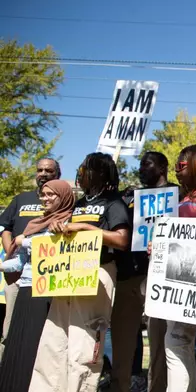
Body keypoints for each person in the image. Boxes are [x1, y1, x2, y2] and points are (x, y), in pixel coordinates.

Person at [29, 153, 131, 392]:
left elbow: (122, 240)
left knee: (83, 344)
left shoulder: (113, 203)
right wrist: (58, 226)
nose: (80, 173)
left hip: (96, 274)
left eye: (85, 169)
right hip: (68, 275)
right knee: (54, 341)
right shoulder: (81, 203)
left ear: (99, 172)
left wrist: (85, 227)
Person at [108, 152, 177, 392]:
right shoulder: (130, 196)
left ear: (162, 166)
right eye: (140, 164)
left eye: (147, 164)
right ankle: (123, 384)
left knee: (160, 341)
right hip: (128, 274)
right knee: (124, 340)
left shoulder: (176, 194)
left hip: (160, 275)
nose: (141, 168)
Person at [0, 180, 74, 392]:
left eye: (52, 195)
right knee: (18, 344)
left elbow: (58, 246)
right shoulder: (35, 223)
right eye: (43, 195)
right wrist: (2, 266)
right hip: (26, 289)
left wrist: (25, 241)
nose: (46, 199)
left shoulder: (69, 221)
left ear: (64, 196)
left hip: (49, 292)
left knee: (38, 346)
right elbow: (21, 262)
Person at [159, 145, 196, 392]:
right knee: (177, 341)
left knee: (176, 341)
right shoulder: (184, 199)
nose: (176, 170)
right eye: (175, 165)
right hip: (177, 278)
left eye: (181, 165)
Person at [0, 158, 60, 355]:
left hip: (45, 277)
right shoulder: (21, 199)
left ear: (57, 175)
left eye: (48, 171)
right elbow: (4, 228)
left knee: (39, 333)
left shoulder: (60, 202)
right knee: (10, 332)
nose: (42, 174)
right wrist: (11, 250)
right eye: (39, 170)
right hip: (16, 275)